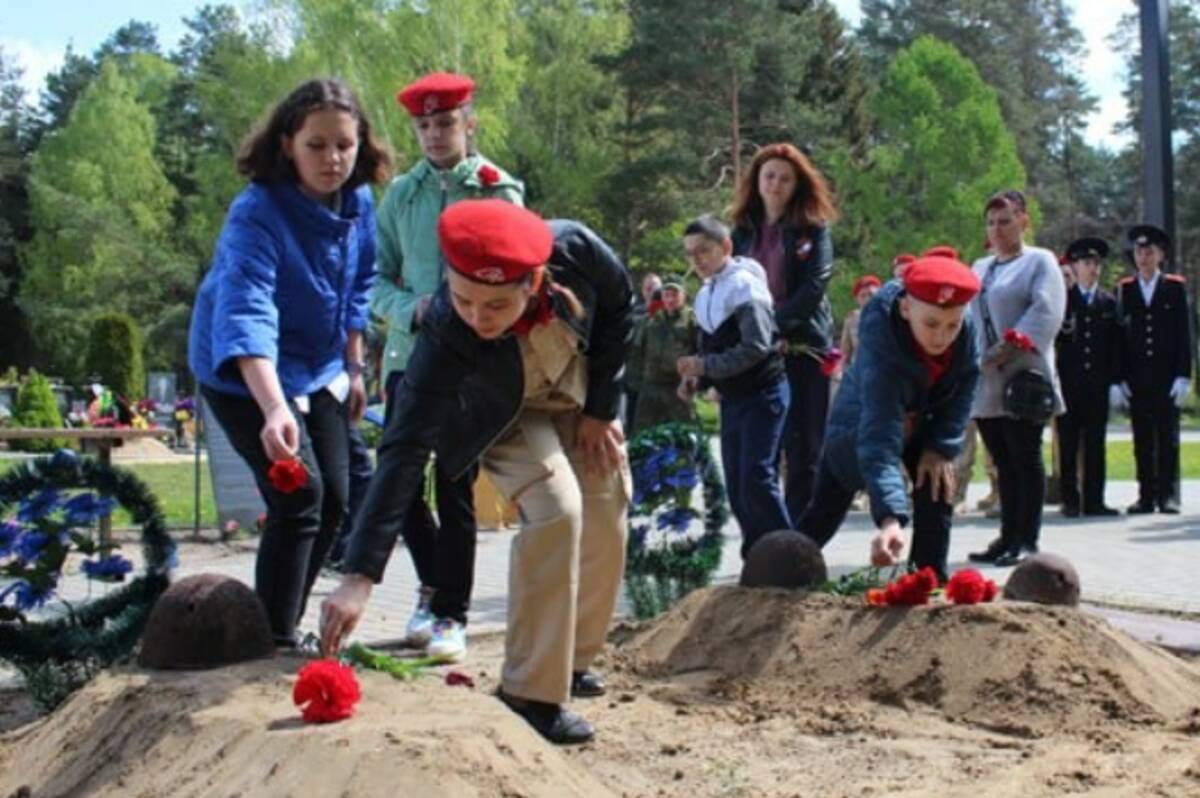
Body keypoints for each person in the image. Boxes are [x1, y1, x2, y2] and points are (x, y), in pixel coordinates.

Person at [321, 200, 633, 746]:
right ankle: (531, 693)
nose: (478, 318)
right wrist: (359, 576)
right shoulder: (447, 331)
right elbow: (404, 448)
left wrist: (602, 409)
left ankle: (572, 661)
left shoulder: (577, 250)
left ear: (535, 280)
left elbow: (621, 307)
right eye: (463, 298)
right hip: (499, 417)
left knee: (609, 499)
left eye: (496, 305)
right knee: (558, 510)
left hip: (573, 395)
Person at [187, 79, 391, 647]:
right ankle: (271, 639)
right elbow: (247, 307)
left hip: (319, 362)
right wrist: (273, 406)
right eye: (317, 145)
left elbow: (361, 280)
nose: (333, 160)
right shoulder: (256, 212)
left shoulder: (359, 202)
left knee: (338, 498)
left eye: (345, 146)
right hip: (241, 367)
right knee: (298, 494)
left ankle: (283, 622)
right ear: (286, 144)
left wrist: (353, 365)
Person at [370, 72, 524, 661]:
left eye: (445, 123)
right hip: (409, 353)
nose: (435, 135)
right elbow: (375, 283)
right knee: (399, 479)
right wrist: (412, 308)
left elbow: (522, 273)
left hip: (472, 361)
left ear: (469, 123)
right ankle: (432, 584)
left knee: (455, 483)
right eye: (425, 125)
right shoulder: (400, 197)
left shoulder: (496, 190)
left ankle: (450, 615)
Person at [798, 252, 981, 582]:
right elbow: (879, 440)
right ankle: (777, 574)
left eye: (952, 325)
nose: (941, 336)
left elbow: (964, 390)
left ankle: (927, 580)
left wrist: (940, 448)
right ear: (906, 308)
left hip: (926, 420)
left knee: (937, 481)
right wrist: (891, 521)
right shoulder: (882, 341)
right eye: (931, 324)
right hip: (861, 421)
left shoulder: (966, 334)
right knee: (826, 506)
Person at [730, 143, 838, 522]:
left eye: (785, 178)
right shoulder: (742, 233)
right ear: (757, 181)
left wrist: (770, 328)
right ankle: (763, 539)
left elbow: (813, 290)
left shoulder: (814, 231)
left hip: (802, 347)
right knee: (760, 452)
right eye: (769, 176)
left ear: (797, 185)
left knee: (805, 448)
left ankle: (800, 540)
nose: (776, 184)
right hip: (755, 354)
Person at [677, 215, 791, 557]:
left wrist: (706, 365)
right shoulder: (705, 292)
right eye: (690, 253)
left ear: (725, 247)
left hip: (763, 392)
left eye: (704, 250)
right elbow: (711, 347)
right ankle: (757, 557)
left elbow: (756, 346)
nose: (697, 259)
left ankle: (792, 556)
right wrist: (697, 378)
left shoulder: (744, 285)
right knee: (738, 484)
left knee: (757, 477)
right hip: (734, 398)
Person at [967, 190, 1066, 567]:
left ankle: (1027, 538)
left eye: (1005, 221)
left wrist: (1003, 351)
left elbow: (1046, 312)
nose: (997, 229)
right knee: (1002, 462)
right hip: (985, 380)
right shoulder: (980, 267)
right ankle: (1007, 535)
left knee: (1025, 456)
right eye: (991, 222)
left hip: (1023, 375)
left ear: (1023, 220)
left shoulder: (1039, 262)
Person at [1115, 224, 1192, 514]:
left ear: (1160, 255)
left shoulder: (1174, 286)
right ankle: (1145, 494)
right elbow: (1119, 337)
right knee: (1141, 439)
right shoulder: (1125, 289)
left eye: (1149, 252)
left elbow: (1184, 334)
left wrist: (1184, 375)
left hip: (1166, 376)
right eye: (1139, 252)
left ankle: (1168, 495)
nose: (1143, 257)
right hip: (1136, 377)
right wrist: (1118, 378)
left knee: (1167, 438)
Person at [1055, 237, 1121, 517]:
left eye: (1096, 264)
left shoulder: (1108, 302)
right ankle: (1070, 499)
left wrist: (1117, 381)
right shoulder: (1064, 300)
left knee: (1095, 443)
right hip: (1069, 384)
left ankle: (1095, 499)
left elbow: (1118, 345)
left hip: (1097, 384)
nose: (1092, 269)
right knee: (1068, 443)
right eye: (1086, 263)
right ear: (1075, 266)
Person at [631, 280, 698, 432]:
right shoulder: (651, 320)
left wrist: (692, 381)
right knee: (642, 435)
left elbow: (699, 351)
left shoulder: (692, 321)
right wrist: (636, 382)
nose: (670, 300)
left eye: (675, 295)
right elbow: (637, 351)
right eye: (666, 295)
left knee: (685, 435)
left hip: (678, 388)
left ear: (684, 296)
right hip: (650, 387)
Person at [625, 273, 663, 430]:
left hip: (661, 382)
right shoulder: (633, 313)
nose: (651, 289)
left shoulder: (669, 313)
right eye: (648, 286)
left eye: (654, 286)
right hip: (636, 380)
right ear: (642, 291)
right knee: (635, 426)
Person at [839, 275, 882, 371]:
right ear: (857, 299)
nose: (867, 299)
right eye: (862, 296)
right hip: (859, 373)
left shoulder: (889, 317)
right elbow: (845, 353)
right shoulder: (852, 319)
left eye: (871, 295)